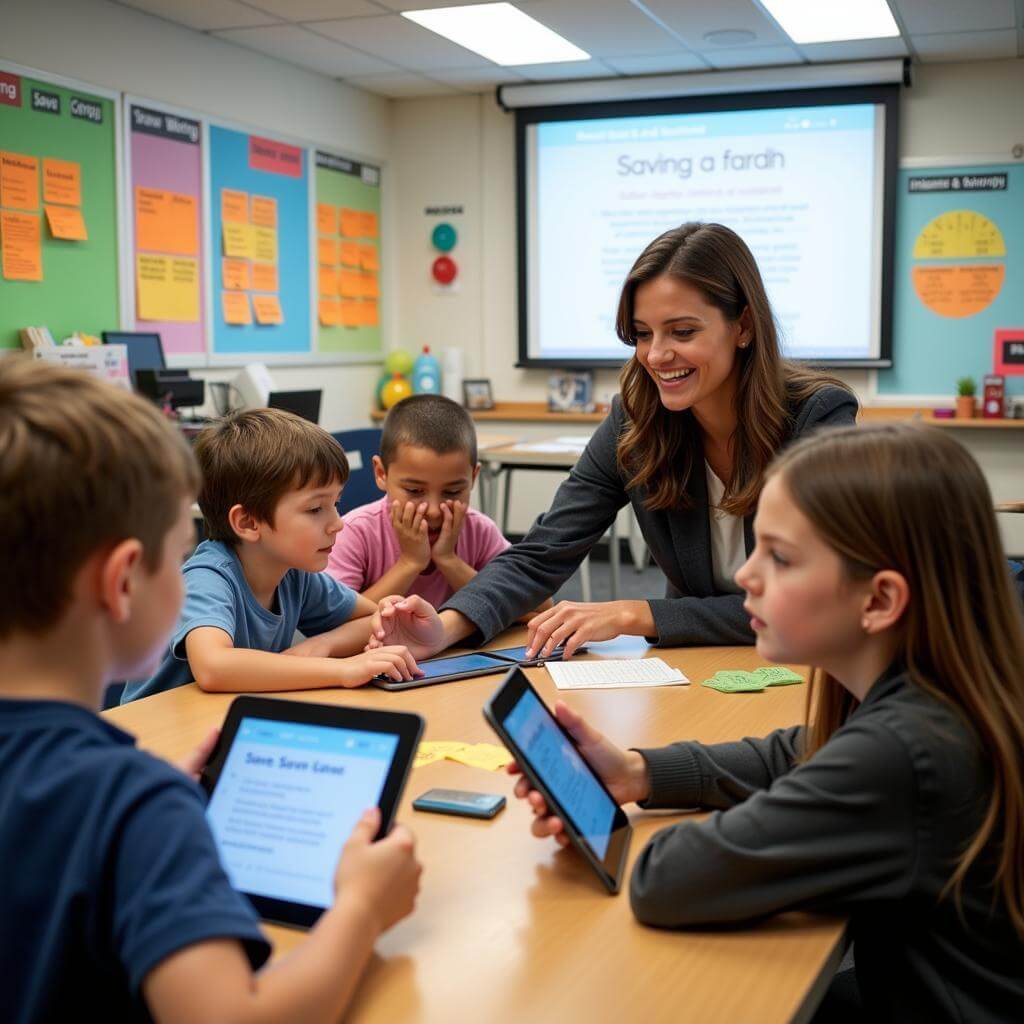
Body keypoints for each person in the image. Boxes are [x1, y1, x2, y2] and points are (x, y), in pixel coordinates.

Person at [511, 424, 1024, 1023]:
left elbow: (668, 879)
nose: (746, 577)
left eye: (779, 557)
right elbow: (804, 752)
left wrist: (607, 821)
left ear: (880, 600)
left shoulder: (905, 752)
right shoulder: (950, 692)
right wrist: (637, 771)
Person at [0, 358, 421, 1023]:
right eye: (178, 550)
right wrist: (363, 908)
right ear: (123, 582)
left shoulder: (126, 796)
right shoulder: (137, 804)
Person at [365, 222, 857, 661]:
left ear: (743, 326)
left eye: (682, 331)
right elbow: (543, 552)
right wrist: (444, 630)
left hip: (806, 657)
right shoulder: (637, 419)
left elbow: (814, 592)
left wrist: (634, 614)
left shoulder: (816, 416)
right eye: (642, 334)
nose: (657, 355)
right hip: (699, 658)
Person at [121, 408, 419, 703]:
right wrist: (341, 669)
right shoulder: (208, 577)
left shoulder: (293, 574)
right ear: (249, 523)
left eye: (335, 503)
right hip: (155, 735)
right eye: (316, 509)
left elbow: (376, 620)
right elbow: (213, 667)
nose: (338, 522)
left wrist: (323, 645)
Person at [326, 394, 511, 609]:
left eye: (452, 491)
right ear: (381, 473)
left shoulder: (480, 531)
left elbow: (534, 605)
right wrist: (410, 563)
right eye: (414, 490)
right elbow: (335, 621)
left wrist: (449, 560)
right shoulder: (355, 532)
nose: (433, 511)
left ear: (474, 477)